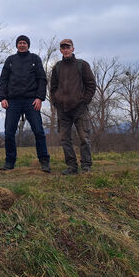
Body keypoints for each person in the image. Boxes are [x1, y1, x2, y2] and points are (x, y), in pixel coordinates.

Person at [0, 35, 51, 173]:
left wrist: (39, 98)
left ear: (28, 45)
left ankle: (44, 162)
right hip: (13, 101)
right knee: (9, 132)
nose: (22, 45)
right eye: (20, 43)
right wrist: (3, 98)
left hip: (31, 100)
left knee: (39, 131)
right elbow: (3, 80)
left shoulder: (35, 59)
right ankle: (9, 162)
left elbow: (42, 79)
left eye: (24, 43)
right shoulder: (10, 60)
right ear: (17, 45)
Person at [50, 39, 96, 175]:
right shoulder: (57, 67)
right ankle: (72, 167)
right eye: (63, 48)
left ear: (72, 49)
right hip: (62, 110)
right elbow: (52, 87)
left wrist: (84, 101)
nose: (65, 50)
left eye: (68, 47)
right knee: (65, 139)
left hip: (79, 109)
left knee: (84, 138)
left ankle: (86, 166)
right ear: (60, 50)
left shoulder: (82, 65)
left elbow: (91, 85)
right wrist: (55, 102)